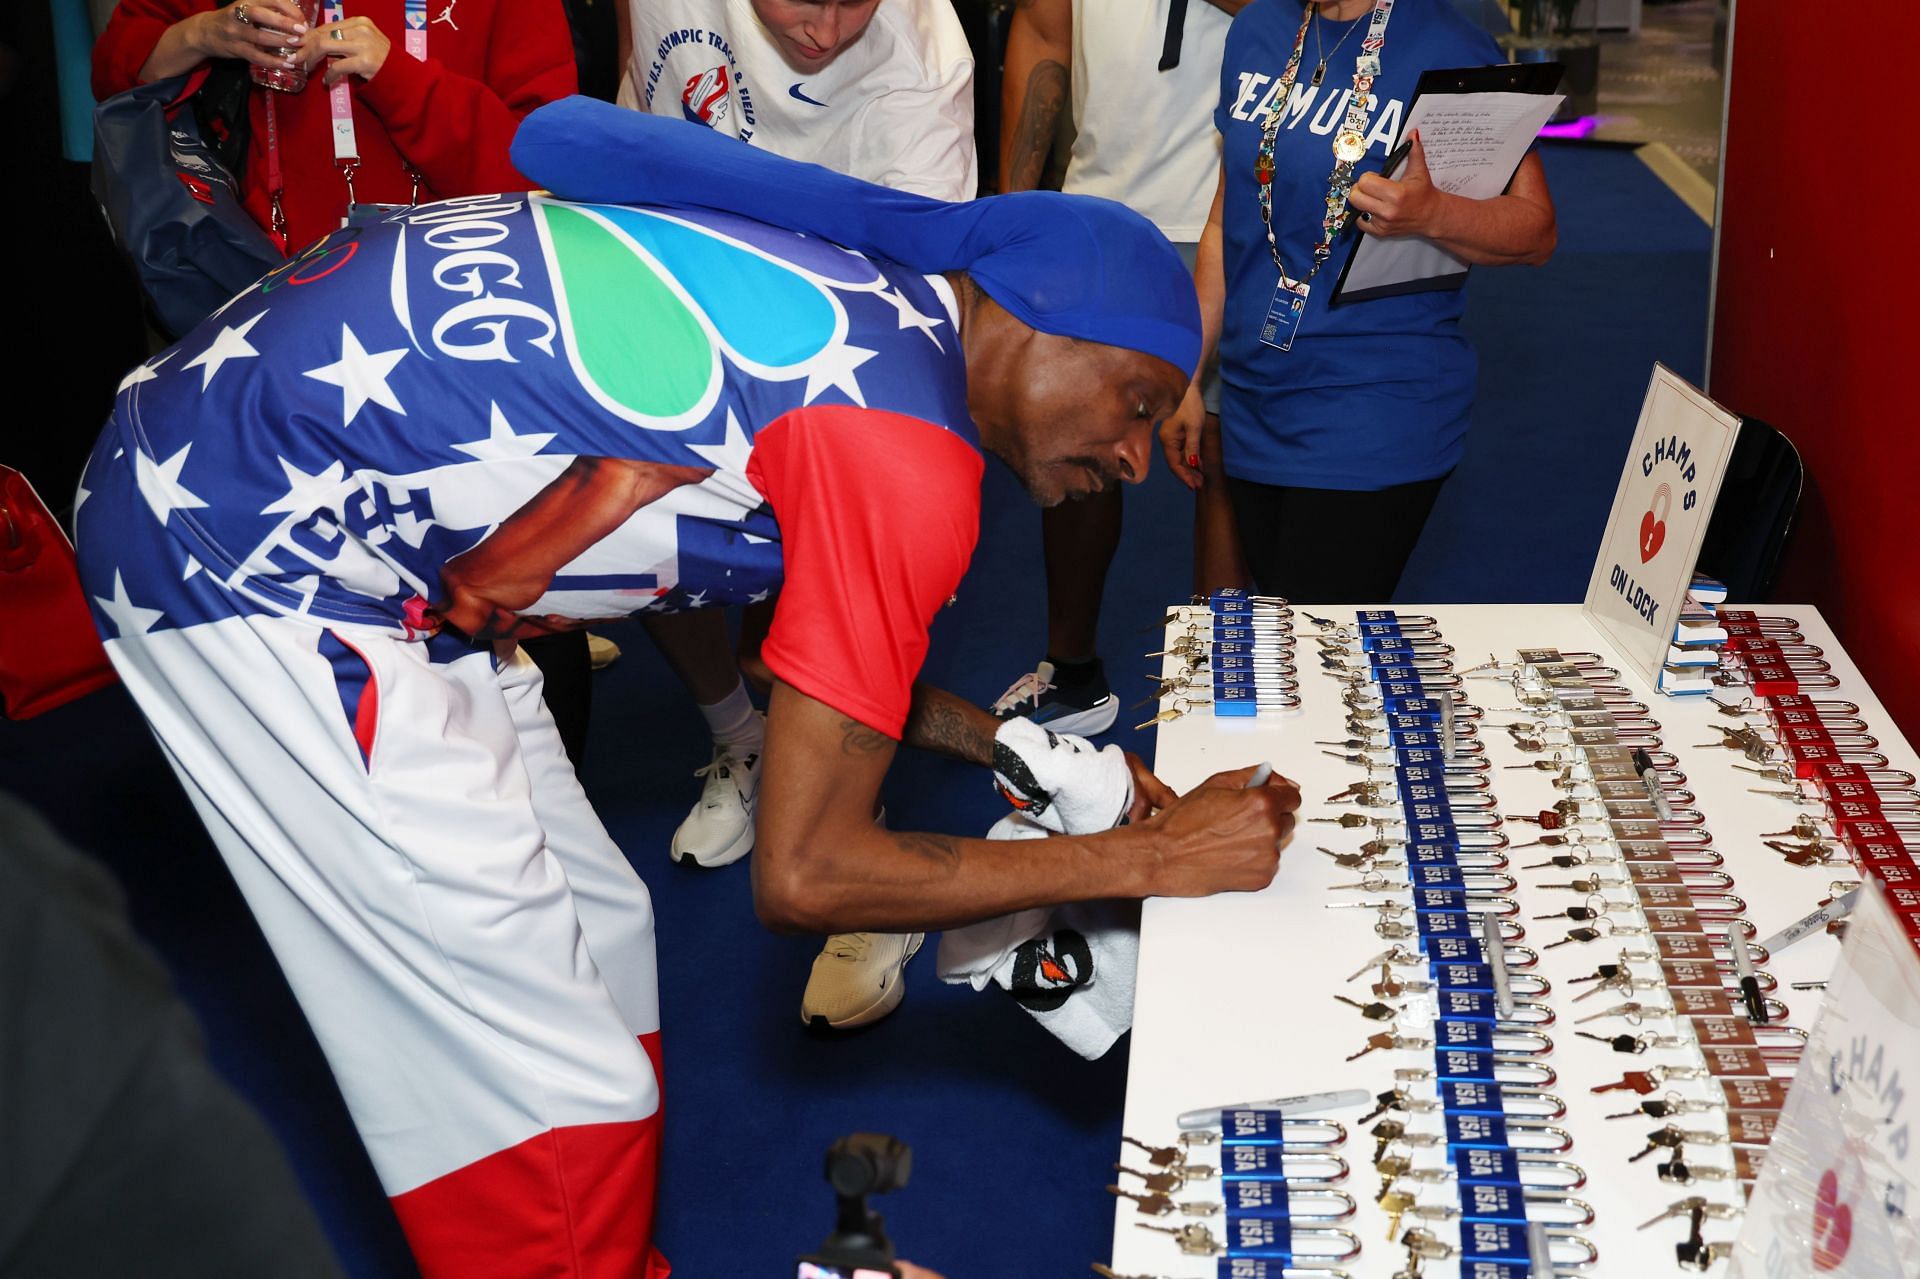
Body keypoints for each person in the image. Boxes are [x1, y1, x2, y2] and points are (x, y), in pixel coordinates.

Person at [73, 99, 1299, 1278]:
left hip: (350, 530)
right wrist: (1151, 864)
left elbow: (788, 661)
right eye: (1137, 401)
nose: (1140, 455)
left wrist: (1006, 750)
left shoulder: (877, 299)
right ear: (1037, 318)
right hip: (247, 556)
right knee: (542, 1091)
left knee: (601, 936)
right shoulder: (902, 454)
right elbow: (810, 874)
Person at [615, 0, 977, 1028]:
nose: (822, 26)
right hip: (684, 278)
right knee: (644, 520)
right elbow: (634, 125)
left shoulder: (924, 54)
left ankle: (861, 847)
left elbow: (905, 301)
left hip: (846, 313)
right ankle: (742, 734)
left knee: (855, 564)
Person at [1161, 0, 1556, 603]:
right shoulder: (1258, 29)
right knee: (1294, 647)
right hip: (1255, 401)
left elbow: (1534, 231)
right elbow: (1225, 217)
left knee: (1314, 653)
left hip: (1375, 407)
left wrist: (1432, 214)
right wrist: (1185, 371)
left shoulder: (1448, 48)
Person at [993, 0, 1248, 738]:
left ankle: (1218, 689)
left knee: (1223, 455)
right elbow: (1043, 30)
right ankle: (1072, 673)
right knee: (1074, 448)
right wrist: (1019, 212)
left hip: (1226, 213)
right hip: (1095, 210)